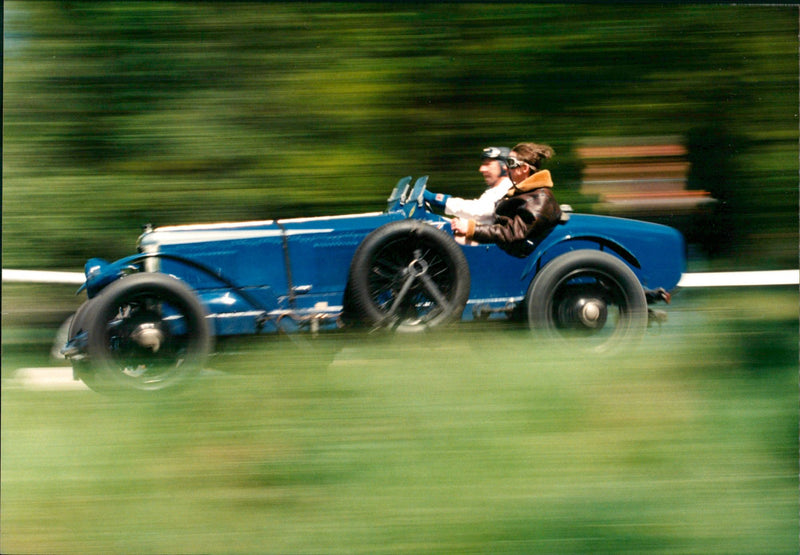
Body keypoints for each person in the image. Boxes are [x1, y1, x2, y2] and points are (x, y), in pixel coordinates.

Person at [451, 142, 562, 258]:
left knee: (453, 241)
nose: (505, 167)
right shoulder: (523, 192)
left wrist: (471, 229)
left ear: (524, 168)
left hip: (515, 252)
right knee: (450, 231)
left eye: (510, 163)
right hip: (504, 244)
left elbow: (512, 233)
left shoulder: (539, 198)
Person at [423, 146, 512, 224]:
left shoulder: (507, 189)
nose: (482, 169)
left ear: (504, 166)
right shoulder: (495, 190)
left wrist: (438, 199)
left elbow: (479, 211)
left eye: (487, 164)